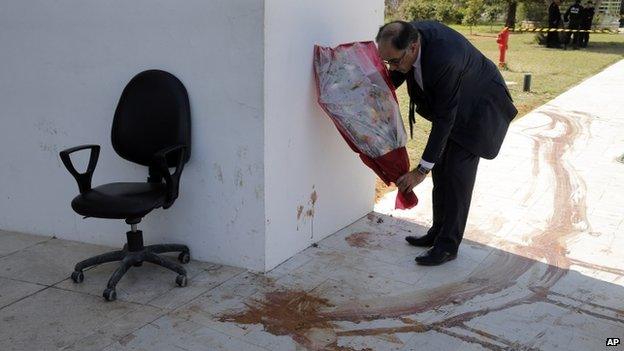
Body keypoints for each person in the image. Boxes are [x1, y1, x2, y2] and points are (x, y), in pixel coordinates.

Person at [375, 21, 518, 266]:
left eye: (395, 61)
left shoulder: (444, 59)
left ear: (413, 46)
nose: (393, 67)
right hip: (453, 105)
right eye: (386, 61)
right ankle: (437, 232)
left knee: (457, 178)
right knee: (441, 173)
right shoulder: (406, 39)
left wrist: (420, 171)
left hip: (478, 110)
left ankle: (448, 245)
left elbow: (444, 120)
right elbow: (394, 76)